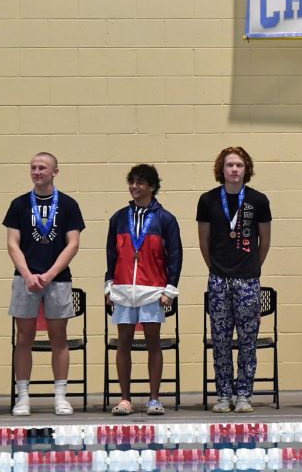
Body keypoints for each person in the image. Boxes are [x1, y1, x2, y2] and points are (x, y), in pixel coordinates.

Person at [3, 152, 85, 416]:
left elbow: (73, 244)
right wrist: (27, 274)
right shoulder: (18, 205)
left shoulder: (69, 205)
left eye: (42, 167)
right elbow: (12, 244)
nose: (37, 171)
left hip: (58, 280)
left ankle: (60, 396)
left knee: (58, 339)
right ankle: (23, 396)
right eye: (33, 167)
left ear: (55, 172)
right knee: (24, 338)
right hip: (25, 279)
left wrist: (49, 275)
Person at [197, 146, 272, 413]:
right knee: (220, 340)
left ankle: (244, 395)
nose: (234, 170)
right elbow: (204, 242)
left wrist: (251, 268)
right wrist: (217, 269)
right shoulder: (207, 200)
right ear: (222, 169)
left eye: (239, 165)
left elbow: (264, 242)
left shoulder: (258, 200)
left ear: (246, 169)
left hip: (248, 280)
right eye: (230, 165)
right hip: (218, 279)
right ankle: (224, 395)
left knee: (248, 340)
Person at [105, 164, 183, 416]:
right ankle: (125, 399)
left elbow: (175, 256)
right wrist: (109, 285)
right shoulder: (118, 218)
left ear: (151, 186)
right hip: (124, 288)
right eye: (132, 182)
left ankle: (154, 399)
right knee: (123, 343)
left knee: (153, 343)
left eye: (140, 182)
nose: (134, 186)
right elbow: (110, 255)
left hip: (153, 290)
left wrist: (169, 290)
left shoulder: (166, 219)